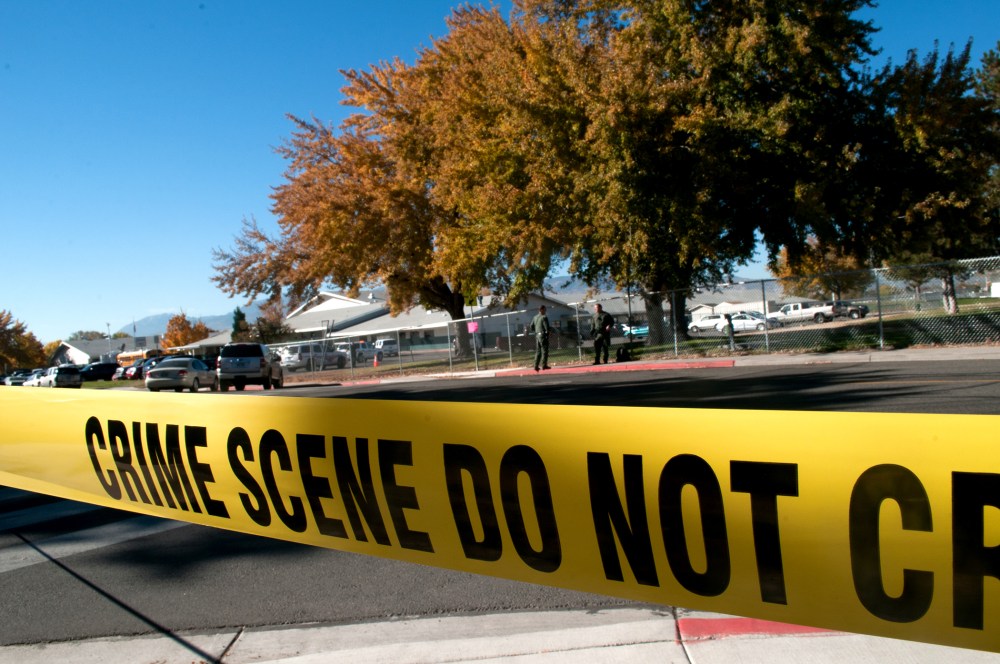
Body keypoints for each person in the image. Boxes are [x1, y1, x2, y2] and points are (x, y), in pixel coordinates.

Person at [531, 305, 551, 371]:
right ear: (541, 310)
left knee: (538, 351)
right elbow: (547, 328)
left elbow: (531, 326)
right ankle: (544, 365)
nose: (545, 311)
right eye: (545, 310)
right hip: (543, 336)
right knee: (544, 351)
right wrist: (548, 333)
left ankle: (535, 366)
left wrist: (536, 331)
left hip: (537, 336)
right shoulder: (544, 317)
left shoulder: (535, 317)